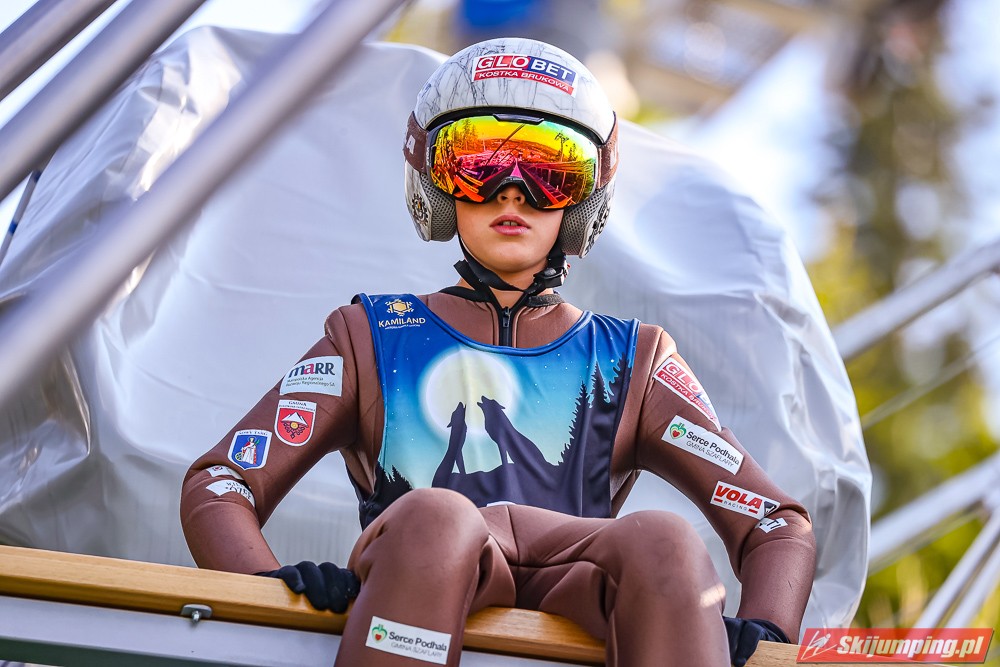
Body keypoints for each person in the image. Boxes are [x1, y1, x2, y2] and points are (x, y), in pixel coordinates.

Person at [180, 36, 816, 667]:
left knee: (666, 542)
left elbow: (775, 522)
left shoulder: (634, 358)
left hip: (580, 584)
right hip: (426, 570)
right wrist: (264, 591)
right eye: (478, 163)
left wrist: (767, 630)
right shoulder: (371, 333)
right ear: (435, 184)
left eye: (550, 171)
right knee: (436, 520)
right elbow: (221, 481)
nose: (512, 192)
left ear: (585, 199)